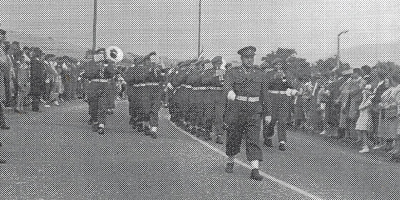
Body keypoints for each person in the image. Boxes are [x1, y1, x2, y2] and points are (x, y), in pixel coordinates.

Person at [223, 46, 264, 181]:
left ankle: (255, 169)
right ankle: (230, 160)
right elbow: (227, 85)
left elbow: (265, 95)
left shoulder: (260, 73)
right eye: (247, 57)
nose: (250, 60)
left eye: (252, 57)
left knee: (253, 139)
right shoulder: (232, 72)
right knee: (234, 138)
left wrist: (268, 112)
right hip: (237, 110)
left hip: (254, 111)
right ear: (242, 59)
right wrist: (230, 93)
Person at [263, 58, 298, 151]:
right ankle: (268, 137)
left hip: (283, 98)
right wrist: (274, 78)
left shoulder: (286, 73)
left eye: (280, 64)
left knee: (282, 120)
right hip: (272, 97)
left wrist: (284, 79)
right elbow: (266, 86)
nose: (278, 66)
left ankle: (282, 142)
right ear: (273, 65)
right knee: (272, 119)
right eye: (276, 64)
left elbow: (291, 86)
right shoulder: (269, 73)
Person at [83, 48, 115, 134]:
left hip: (104, 85)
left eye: (103, 53)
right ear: (96, 55)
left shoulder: (108, 63)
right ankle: (95, 121)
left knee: (102, 106)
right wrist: (97, 68)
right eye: (100, 53)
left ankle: (101, 125)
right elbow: (87, 74)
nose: (102, 55)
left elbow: (112, 74)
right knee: (93, 107)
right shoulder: (90, 63)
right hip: (94, 85)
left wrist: (107, 66)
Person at [202, 56, 226, 144]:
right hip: (210, 95)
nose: (218, 65)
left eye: (220, 64)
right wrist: (213, 76)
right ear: (213, 64)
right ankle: (207, 132)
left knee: (219, 116)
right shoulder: (208, 72)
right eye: (217, 64)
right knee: (208, 115)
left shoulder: (224, 72)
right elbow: (203, 81)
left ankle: (219, 135)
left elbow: (227, 83)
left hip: (220, 95)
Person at [29, 47, 46, 112]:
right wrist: (37, 79)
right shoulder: (35, 61)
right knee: (36, 94)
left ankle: (36, 107)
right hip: (36, 80)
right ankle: (35, 108)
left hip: (37, 79)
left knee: (37, 94)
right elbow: (35, 72)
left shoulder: (36, 61)